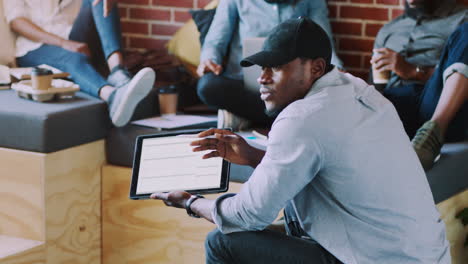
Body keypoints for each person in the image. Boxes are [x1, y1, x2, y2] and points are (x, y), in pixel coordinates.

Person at [151, 18, 449, 264]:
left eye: (277, 67)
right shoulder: (359, 90)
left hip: (371, 258)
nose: (263, 78)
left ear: (316, 68)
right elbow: (324, 161)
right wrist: (256, 155)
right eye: (263, 67)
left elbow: (247, 216)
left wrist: (190, 202)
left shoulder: (302, 117)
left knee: (222, 242)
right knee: (288, 219)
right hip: (422, 256)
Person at [4, 0, 156, 127]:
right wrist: (63, 43)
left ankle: (118, 73)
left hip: (71, 33)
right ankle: (112, 95)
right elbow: (17, 22)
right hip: (34, 46)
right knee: (71, 58)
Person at [196, 0, 343, 129]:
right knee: (207, 86)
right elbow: (215, 41)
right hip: (240, 85)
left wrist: (337, 71)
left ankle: (248, 116)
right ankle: (282, 118)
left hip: (286, 87)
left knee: (317, 89)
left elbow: (324, 42)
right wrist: (209, 61)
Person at [371, 0, 467, 170]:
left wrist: (412, 70)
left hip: (434, 101)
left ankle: (432, 134)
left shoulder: (461, 19)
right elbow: (376, 84)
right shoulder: (388, 30)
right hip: (394, 104)